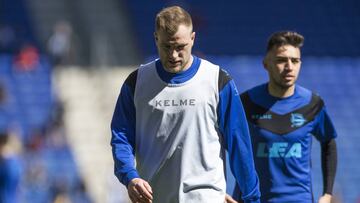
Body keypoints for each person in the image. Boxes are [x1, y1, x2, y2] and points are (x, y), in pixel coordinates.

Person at [110, 6, 260, 203]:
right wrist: (131, 176)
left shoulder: (217, 81)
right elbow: (121, 137)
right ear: (156, 38)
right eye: (166, 46)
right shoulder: (137, 82)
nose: (173, 55)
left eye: (180, 47)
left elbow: (239, 144)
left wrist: (251, 199)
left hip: (205, 197)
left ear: (193, 38)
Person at [230, 31, 338, 203]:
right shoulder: (246, 103)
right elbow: (219, 143)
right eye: (281, 60)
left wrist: (327, 193)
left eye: (295, 61)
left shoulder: (312, 104)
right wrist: (220, 190)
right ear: (266, 64)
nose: (289, 67)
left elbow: (329, 143)